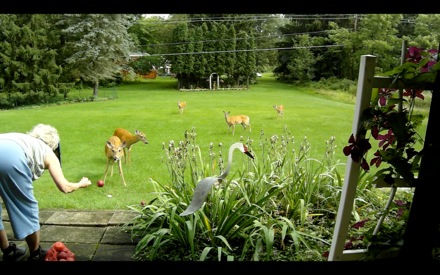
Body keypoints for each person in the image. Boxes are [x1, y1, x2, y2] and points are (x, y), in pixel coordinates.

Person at [0, 124, 92, 261]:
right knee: (26, 207)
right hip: (10, 158)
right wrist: (80, 184)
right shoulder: (47, 150)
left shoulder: (23, 139)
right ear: (53, 144)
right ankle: (36, 254)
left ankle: (8, 251)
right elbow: (64, 186)